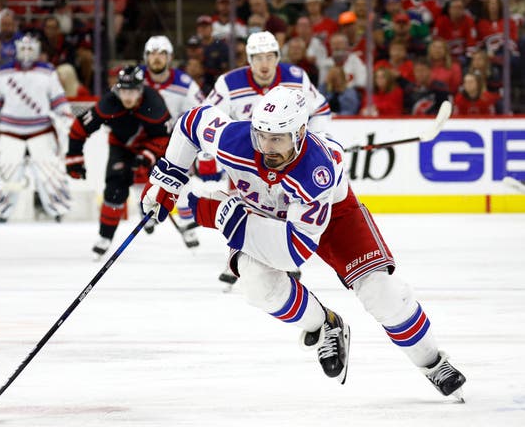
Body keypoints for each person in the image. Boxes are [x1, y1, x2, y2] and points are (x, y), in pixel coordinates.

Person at [140, 85, 467, 400]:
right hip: (267, 212)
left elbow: (292, 254)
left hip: (334, 218)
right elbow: (192, 122)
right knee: (256, 285)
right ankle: (326, 325)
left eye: (277, 139)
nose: (267, 147)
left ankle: (433, 362)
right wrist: (169, 178)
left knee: (382, 293)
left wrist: (209, 210)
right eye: (262, 136)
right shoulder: (235, 139)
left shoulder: (316, 171)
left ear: (299, 134)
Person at [205, 31, 331, 286]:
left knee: (286, 202)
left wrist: (317, 141)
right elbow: (208, 115)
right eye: (257, 57)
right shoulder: (229, 83)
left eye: (270, 56)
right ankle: (238, 252)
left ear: (277, 56)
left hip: (286, 153)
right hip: (247, 155)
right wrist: (208, 151)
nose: (264, 64)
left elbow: (320, 109)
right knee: (245, 203)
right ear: (249, 59)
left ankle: (284, 257)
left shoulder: (296, 78)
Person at [65, 65, 170, 257]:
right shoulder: (110, 103)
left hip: (150, 147)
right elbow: (80, 127)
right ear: (117, 89)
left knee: (152, 182)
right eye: (123, 91)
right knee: (114, 188)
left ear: (141, 90)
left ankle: (147, 210)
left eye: (132, 91)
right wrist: (74, 159)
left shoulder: (154, 102)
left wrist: (147, 156)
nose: (127, 97)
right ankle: (105, 236)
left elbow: (166, 138)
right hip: (121, 147)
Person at [0, 34, 74, 223]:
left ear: (38, 50)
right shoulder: (3, 72)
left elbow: (59, 101)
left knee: (50, 172)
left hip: (41, 130)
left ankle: (58, 209)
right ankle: (0, 211)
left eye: (30, 49)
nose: (26, 53)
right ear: (15, 49)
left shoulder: (48, 72)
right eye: (22, 49)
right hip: (10, 131)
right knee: (6, 172)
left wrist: (67, 119)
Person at [140, 35, 205, 247]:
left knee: (182, 184)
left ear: (170, 57)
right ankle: (146, 213)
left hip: (175, 142)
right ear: (146, 57)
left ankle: (187, 226)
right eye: (152, 53)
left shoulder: (184, 83)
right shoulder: (137, 79)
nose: (157, 58)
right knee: (137, 177)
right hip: (143, 141)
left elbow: (201, 110)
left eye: (162, 53)